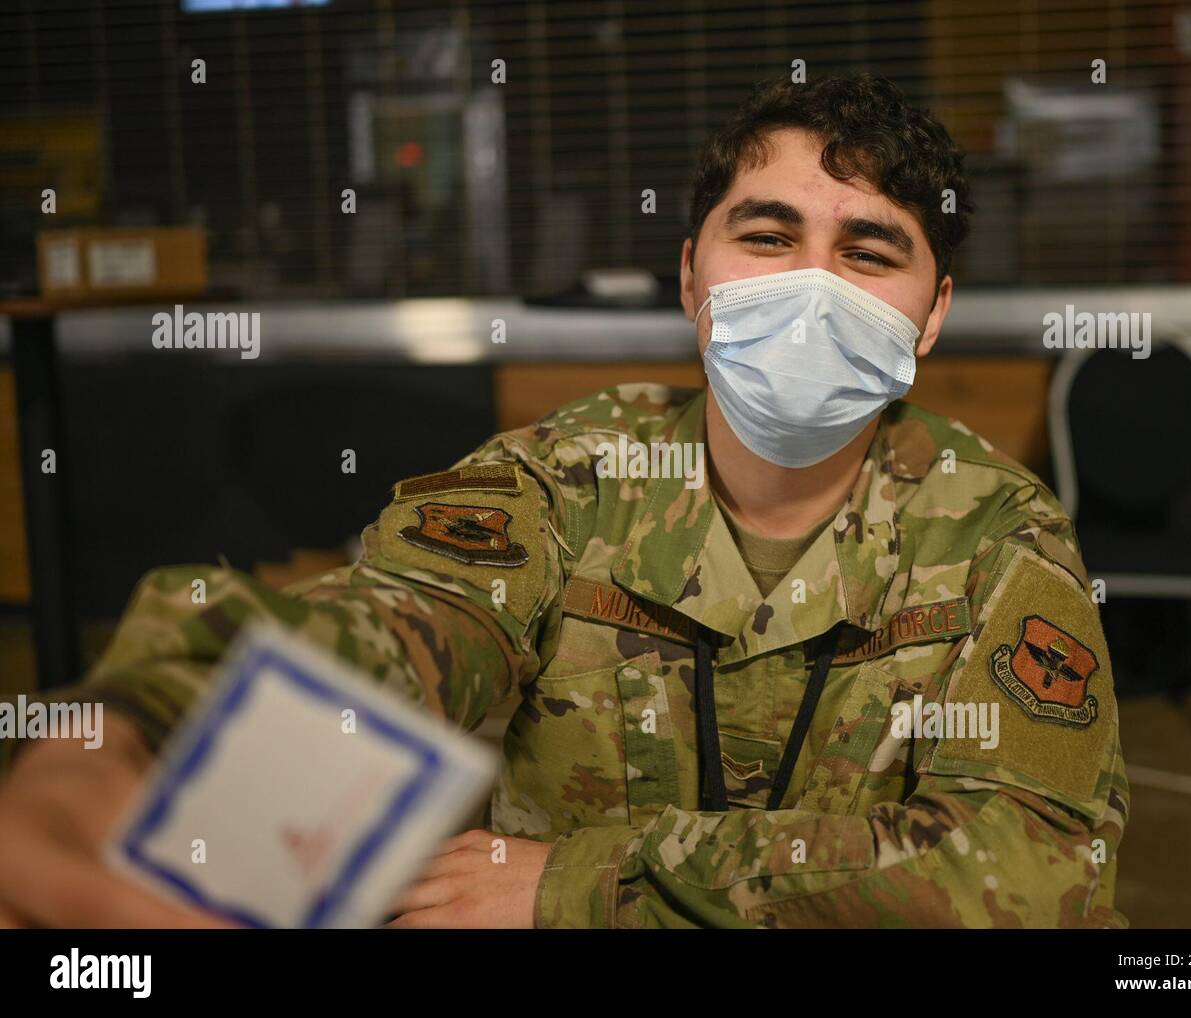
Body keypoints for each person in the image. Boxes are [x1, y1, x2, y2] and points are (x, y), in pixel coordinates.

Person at [0, 73, 1127, 929]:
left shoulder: (997, 534)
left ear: (929, 317)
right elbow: (395, 627)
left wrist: (590, 886)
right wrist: (150, 721)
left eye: (868, 250)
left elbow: (1031, 871)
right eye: (769, 236)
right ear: (692, 276)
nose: (811, 288)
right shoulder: (565, 478)